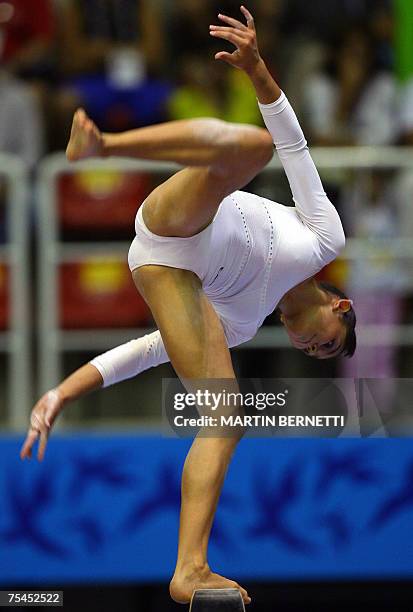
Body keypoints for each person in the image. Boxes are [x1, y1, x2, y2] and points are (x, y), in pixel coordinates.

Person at [21, 7, 356, 605]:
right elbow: (294, 145)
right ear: (342, 305)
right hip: (185, 213)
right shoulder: (325, 240)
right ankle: (104, 146)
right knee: (254, 146)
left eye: (318, 353)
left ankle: (188, 571)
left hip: (165, 264)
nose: (313, 347)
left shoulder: (242, 324)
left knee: (225, 421)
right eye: (329, 339)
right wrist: (256, 70)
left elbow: (144, 351)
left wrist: (61, 392)